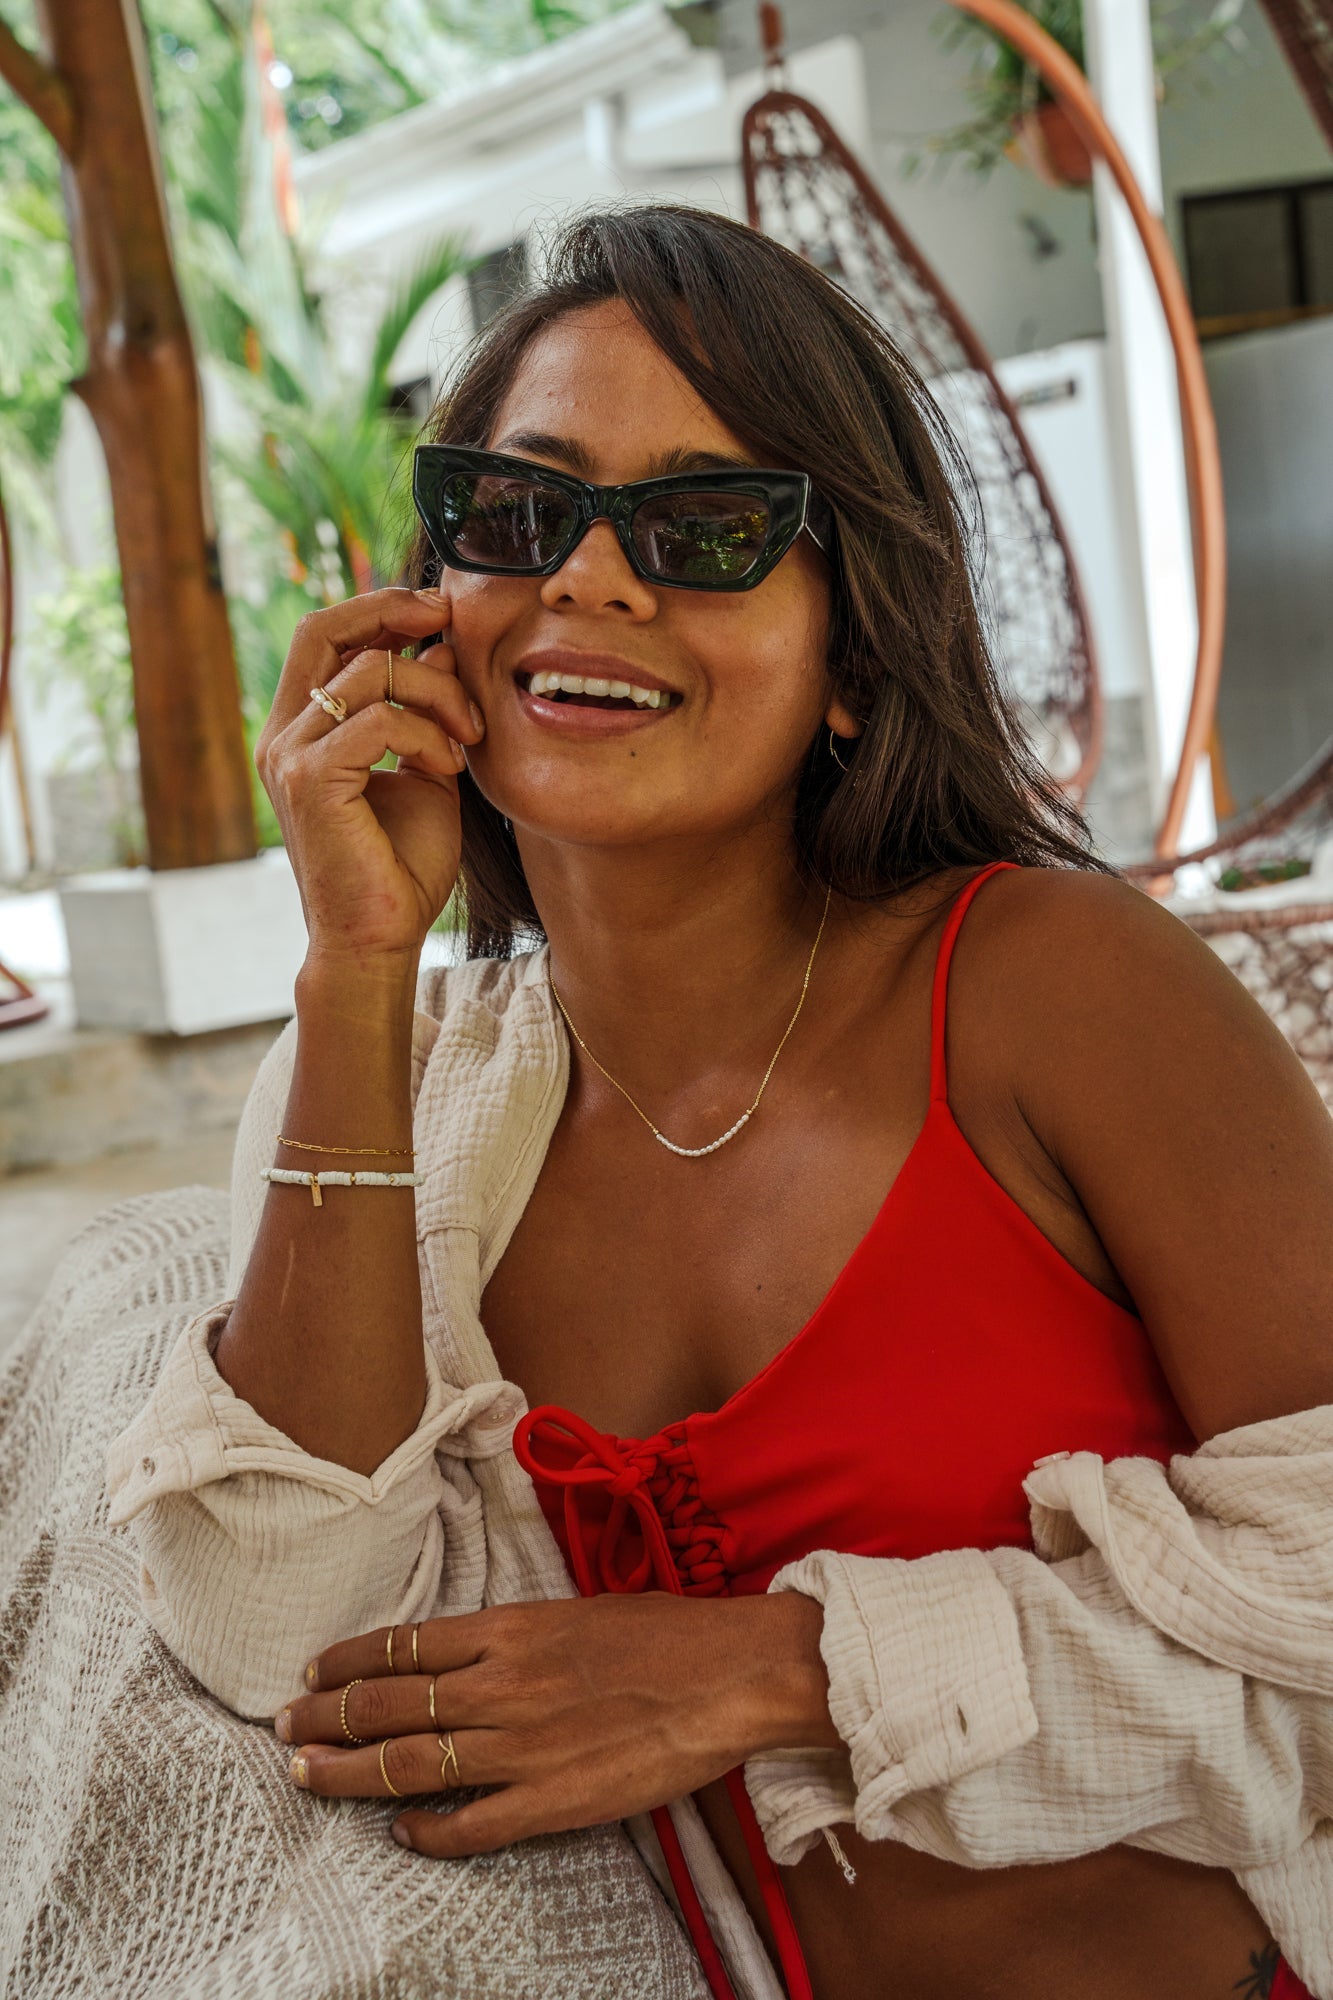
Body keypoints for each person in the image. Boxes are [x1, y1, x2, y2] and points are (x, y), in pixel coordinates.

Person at [108, 205, 1333, 2000]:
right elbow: (275, 1632)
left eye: (703, 529)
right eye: (518, 511)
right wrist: (355, 965)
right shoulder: (401, 1087)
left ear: (853, 656)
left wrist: (769, 1670)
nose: (594, 582)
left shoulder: (1056, 986)